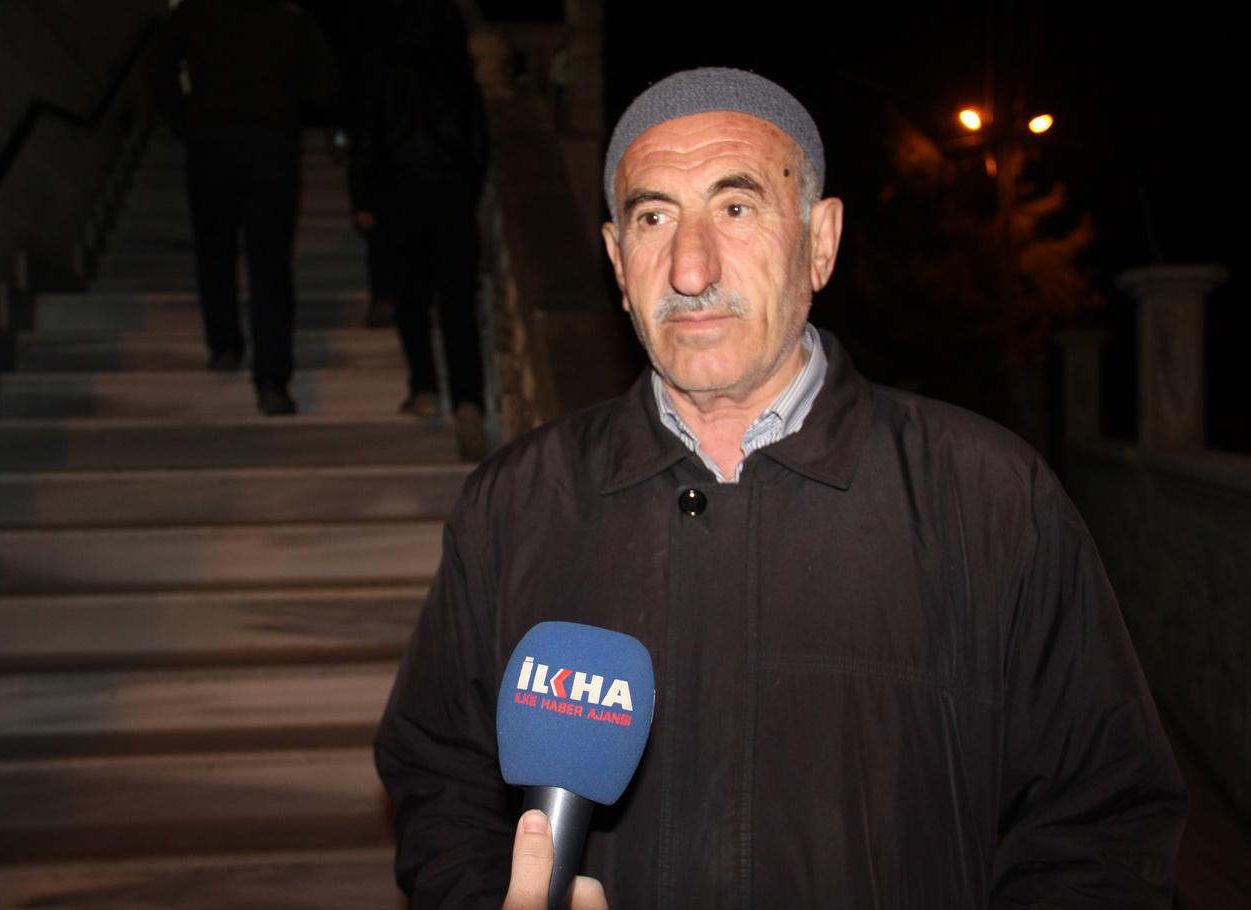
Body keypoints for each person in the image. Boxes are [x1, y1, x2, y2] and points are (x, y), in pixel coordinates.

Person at [374, 67, 1187, 908]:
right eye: (654, 218)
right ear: (617, 261)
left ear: (821, 242)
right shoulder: (515, 503)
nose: (691, 269)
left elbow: (1103, 818)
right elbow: (438, 776)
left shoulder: (990, 497)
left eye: (736, 207)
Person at [154, 0, 337, 416]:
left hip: (211, 146)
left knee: (215, 250)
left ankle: (224, 345)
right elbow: (324, 86)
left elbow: (157, 66)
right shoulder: (289, 18)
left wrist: (184, 116)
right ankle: (271, 378)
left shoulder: (195, 13)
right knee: (269, 265)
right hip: (270, 149)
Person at [347, 0, 489, 458]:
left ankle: (425, 387)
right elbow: (478, 146)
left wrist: (363, 198)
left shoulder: (384, 75)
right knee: (457, 305)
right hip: (450, 196)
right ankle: (468, 402)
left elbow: (367, 141)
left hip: (399, 196)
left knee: (412, 301)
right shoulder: (459, 78)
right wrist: (466, 193)